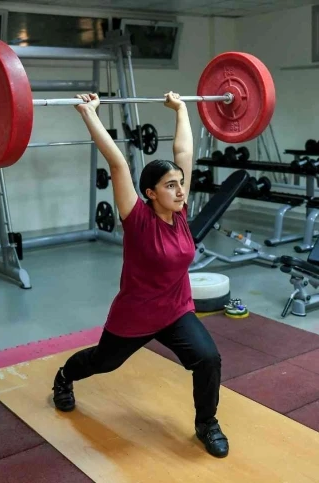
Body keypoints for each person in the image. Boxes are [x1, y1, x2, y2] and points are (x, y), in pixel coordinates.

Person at [51, 92, 229, 459]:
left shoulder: (180, 211)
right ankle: (65, 376)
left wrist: (181, 109)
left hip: (176, 311)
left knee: (208, 358)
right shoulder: (137, 219)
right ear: (150, 193)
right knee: (103, 362)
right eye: (170, 185)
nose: (180, 190)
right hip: (135, 315)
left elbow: (184, 152)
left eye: (181, 183)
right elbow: (117, 163)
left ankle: (206, 423)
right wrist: (89, 113)